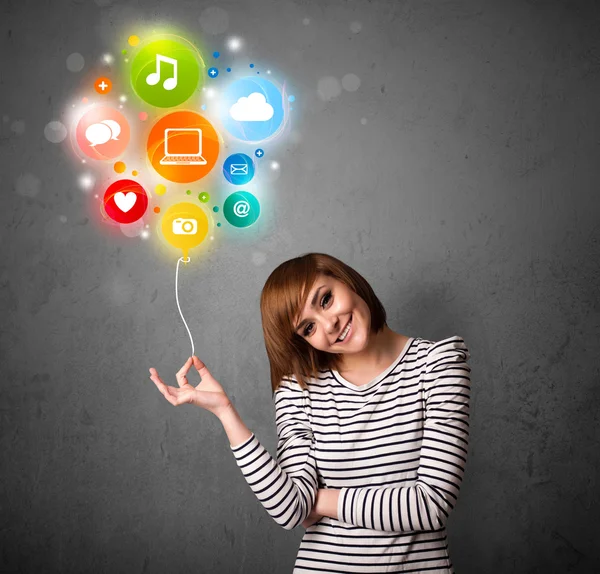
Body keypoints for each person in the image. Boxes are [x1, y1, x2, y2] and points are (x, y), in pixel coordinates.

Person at [148, 252, 472, 573]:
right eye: (308, 327)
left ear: (347, 280)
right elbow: (290, 510)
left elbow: (430, 505)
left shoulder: (438, 364)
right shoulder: (298, 389)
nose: (329, 324)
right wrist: (225, 412)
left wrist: (320, 500)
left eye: (326, 299)